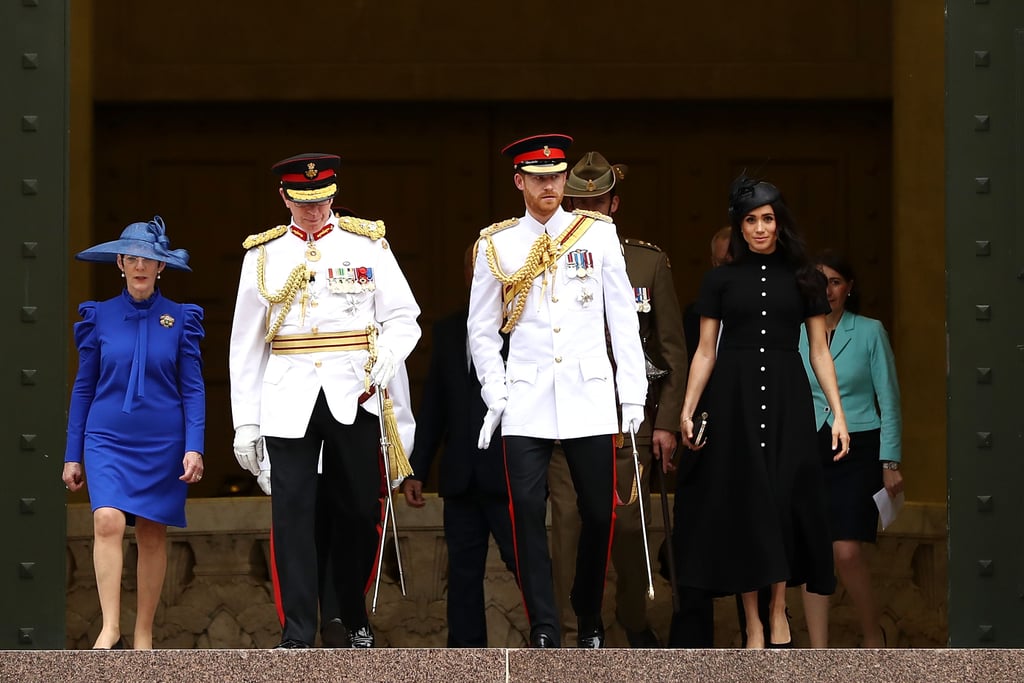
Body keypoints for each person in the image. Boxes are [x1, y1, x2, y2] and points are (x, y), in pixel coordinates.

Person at [229, 153, 421, 649]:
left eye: (321, 201)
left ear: (333, 195)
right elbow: (246, 346)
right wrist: (245, 422)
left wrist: (390, 355)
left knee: (358, 508)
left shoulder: (368, 244)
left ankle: (351, 615)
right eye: (302, 202)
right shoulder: (262, 256)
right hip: (288, 394)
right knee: (292, 513)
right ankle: (297, 629)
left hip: (352, 391)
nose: (313, 211)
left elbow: (405, 316)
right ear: (284, 198)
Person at [467, 133, 648, 649]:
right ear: (520, 182)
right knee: (526, 511)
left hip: (590, 395)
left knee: (597, 511)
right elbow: (481, 329)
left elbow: (623, 320)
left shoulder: (597, 235)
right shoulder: (496, 243)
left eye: (556, 176)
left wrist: (630, 395)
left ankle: (587, 613)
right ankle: (544, 623)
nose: (550, 185)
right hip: (525, 397)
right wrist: (495, 390)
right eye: (539, 177)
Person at [674, 175, 850, 649]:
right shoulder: (720, 279)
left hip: (790, 399)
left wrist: (838, 413)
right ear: (739, 226)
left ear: (780, 222)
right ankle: (752, 621)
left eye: (767, 219)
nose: (759, 228)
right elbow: (706, 351)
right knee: (744, 505)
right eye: (750, 220)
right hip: (734, 400)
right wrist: (687, 409)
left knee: (783, 499)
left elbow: (819, 350)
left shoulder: (806, 278)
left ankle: (777, 607)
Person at [549, 151, 688, 648]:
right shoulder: (544, 256)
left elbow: (672, 349)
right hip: (566, 416)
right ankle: (571, 635)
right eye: (576, 204)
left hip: (630, 420)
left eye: (597, 204)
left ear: (614, 204)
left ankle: (633, 623)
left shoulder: (647, 263)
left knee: (628, 529)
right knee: (566, 527)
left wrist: (667, 422)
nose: (587, 213)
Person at [63, 216, 205, 650]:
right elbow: (84, 385)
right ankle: (110, 627)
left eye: (150, 259)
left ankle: (143, 632)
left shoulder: (181, 319)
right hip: (106, 437)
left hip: (164, 440)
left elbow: (193, 388)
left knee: (151, 531)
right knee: (106, 519)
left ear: (161, 267)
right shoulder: (99, 316)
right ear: (119, 263)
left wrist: (194, 447)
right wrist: (73, 453)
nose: (140, 266)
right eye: (132, 259)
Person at [400, 245, 518, 647]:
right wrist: (417, 468)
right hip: (460, 477)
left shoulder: (525, 328)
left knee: (527, 567)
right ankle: (467, 664)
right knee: (463, 577)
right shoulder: (449, 329)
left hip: (510, 475)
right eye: (475, 269)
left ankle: (547, 650)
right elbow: (434, 404)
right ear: (467, 276)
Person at [798, 249, 904, 648]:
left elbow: (889, 399)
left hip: (859, 447)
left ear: (849, 288)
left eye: (836, 281)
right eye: (820, 281)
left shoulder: (870, 331)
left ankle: (871, 635)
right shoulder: (797, 332)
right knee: (814, 553)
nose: (827, 290)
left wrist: (890, 461)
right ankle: (819, 655)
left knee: (845, 551)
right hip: (810, 446)